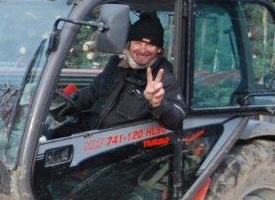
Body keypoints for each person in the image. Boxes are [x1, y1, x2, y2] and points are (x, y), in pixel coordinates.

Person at [56, 13, 186, 132]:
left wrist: (157, 104)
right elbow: (93, 92)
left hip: (125, 146)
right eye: (138, 43)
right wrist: (64, 104)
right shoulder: (118, 64)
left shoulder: (162, 77)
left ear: (159, 50)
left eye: (150, 45)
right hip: (91, 135)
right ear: (129, 44)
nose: (142, 50)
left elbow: (177, 119)